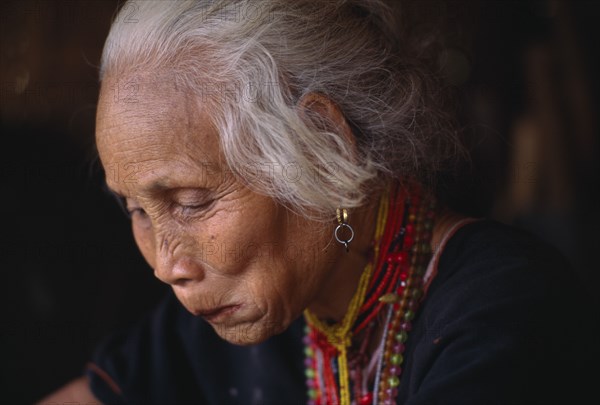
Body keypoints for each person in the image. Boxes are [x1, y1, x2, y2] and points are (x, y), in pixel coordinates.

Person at [38, 0, 595, 404]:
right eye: (136, 209)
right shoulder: (225, 315)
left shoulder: (504, 312)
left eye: (190, 201)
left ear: (324, 146)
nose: (166, 265)